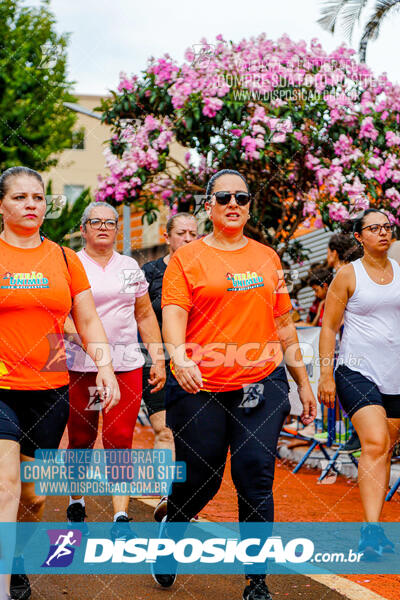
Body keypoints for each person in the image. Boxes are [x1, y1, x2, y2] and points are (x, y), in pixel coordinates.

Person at [156, 169, 317, 600]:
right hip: (200, 385)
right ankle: (173, 527)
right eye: (223, 197)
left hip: (260, 382)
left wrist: (302, 382)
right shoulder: (186, 259)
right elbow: (172, 313)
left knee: (254, 474)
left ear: (249, 206)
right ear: (207, 205)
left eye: (241, 198)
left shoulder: (267, 257)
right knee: (203, 477)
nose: (233, 204)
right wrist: (178, 355)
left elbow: (284, 324)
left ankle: (256, 580)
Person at [0, 167, 120, 600]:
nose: (31, 205)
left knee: (32, 496)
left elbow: (87, 319)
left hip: (50, 389)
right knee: (6, 484)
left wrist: (104, 366)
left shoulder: (65, 260)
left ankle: (15, 560)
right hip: (2, 388)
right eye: (20, 197)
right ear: (1, 204)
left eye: (37, 197)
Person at [64, 201, 165, 539]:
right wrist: (84, 341)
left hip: (126, 365)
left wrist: (158, 356)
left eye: (110, 222)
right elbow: (60, 314)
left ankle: (120, 514)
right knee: (81, 437)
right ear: (83, 229)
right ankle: (76, 499)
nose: (104, 227)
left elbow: (145, 315)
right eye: (95, 221)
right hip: (81, 365)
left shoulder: (130, 267)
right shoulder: (70, 264)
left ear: (117, 229)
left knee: (119, 438)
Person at [318, 208, 400, 559]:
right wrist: (325, 373)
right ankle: (369, 529)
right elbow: (328, 327)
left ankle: (374, 529)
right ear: (359, 237)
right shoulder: (348, 275)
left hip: (395, 374)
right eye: (374, 228)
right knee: (375, 441)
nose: (382, 232)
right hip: (355, 370)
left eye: (387, 227)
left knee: (384, 452)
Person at [141, 212, 198, 522]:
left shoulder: (205, 269)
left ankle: (186, 494)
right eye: (182, 233)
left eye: (193, 234)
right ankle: (168, 497)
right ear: (167, 237)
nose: (188, 239)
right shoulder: (148, 272)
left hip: (201, 361)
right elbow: (137, 316)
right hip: (158, 362)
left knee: (192, 434)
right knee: (164, 430)